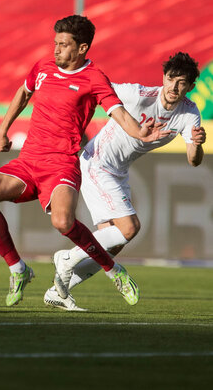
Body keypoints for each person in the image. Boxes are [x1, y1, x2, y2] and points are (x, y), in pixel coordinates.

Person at [0, 15, 170, 308]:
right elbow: (23, 93)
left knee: (62, 222)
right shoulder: (42, 68)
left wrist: (140, 132)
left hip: (61, 164)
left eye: (64, 45)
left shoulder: (94, 78)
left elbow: (118, 113)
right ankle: (18, 269)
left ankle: (114, 271)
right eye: (56, 43)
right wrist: (2, 129)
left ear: (82, 48)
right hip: (29, 160)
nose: (57, 50)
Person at [45, 52, 206, 311]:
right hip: (97, 162)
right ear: (163, 77)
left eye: (182, 83)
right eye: (171, 79)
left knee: (114, 244)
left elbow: (193, 160)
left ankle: (58, 290)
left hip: (119, 172)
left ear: (190, 87)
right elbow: (98, 89)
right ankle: (67, 257)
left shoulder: (189, 113)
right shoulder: (138, 94)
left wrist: (197, 144)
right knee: (129, 228)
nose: (174, 87)